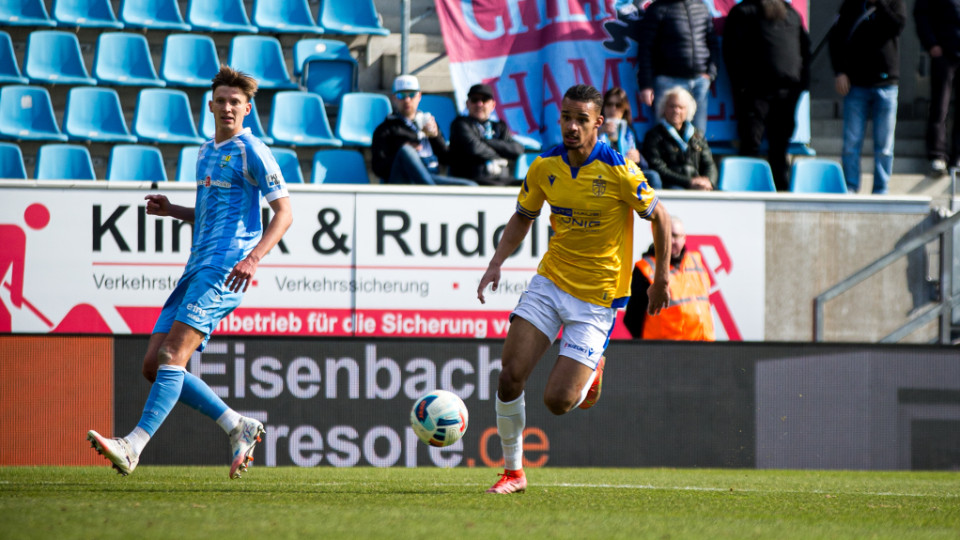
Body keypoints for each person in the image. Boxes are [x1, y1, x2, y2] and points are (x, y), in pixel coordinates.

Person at [86, 66, 293, 479]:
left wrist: (253, 259)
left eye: (236, 101)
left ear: (247, 109)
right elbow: (207, 212)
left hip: (225, 269)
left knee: (170, 356)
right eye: (222, 100)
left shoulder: (253, 149)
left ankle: (133, 446)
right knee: (153, 365)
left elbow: (285, 213)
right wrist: (174, 211)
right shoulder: (204, 151)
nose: (229, 107)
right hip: (195, 267)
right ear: (211, 105)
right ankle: (237, 424)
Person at [476, 84, 672, 494]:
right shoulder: (545, 166)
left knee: (558, 402)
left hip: (597, 298)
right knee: (510, 376)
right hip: (551, 282)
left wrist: (661, 278)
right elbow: (522, 216)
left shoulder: (620, 170)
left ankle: (594, 365)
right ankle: (513, 472)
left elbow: (662, 219)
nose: (571, 126)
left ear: (598, 123)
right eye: (566, 117)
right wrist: (496, 263)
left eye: (581, 119)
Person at [722, 0, 810, 191]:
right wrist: (742, 86)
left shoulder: (792, 14)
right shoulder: (743, 12)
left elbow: (804, 49)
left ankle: (781, 189)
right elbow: (731, 51)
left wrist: (802, 84)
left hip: (787, 94)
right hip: (755, 93)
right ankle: (747, 187)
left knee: (779, 147)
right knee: (751, 142)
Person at [829, 0, 906, 194]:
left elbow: (897, 27)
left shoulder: (894, 3)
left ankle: (881, 188)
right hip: (856, 85)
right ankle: (851, 187)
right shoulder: (850, 5)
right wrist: (840, 71)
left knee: (884, 146)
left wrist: (880, 4)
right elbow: (836, 38)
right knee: (851, 143)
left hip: (887, 84)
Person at [371, 74, 475, 186]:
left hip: (431, 177)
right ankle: (432, 192)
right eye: (401, 95)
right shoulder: (385, 129)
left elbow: (446, 159)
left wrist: (435, 137)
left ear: (419, 96)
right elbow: (378, 169)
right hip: (403, 180)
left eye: (411, 94)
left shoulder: (427, 122)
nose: (407, 100)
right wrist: (401, 153)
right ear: (394, 98)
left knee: (470, 186)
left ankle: (430, 190)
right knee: (406, 151)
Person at [623, 215, 715, 340]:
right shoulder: (645, 269)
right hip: (666, 352)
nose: (672, 241)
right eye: (667, 236)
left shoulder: (695, 261)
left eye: (676, 236)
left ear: (684, 238)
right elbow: (632, 319)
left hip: (704, 347)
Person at [635, 0, 720, 135]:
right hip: (667, 81)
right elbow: (645, 49)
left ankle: (695, 158)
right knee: (664, 135)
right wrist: (646, 85)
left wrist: (710, 73)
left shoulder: (701, 7)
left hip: (699, 82)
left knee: (697, 136)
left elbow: (712, 43)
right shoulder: (658, 9)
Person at [915, 0, 960, 177]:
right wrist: (931, 43)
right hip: (944, 54)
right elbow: (921, 15)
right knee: (940, 107)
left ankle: (957, 157)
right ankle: (937, 155)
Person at [447, 83, 525, 186]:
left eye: (484, 100)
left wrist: (486, 141)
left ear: (493, 105)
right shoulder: (460, 124)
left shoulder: (499, 126)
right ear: (467, 104)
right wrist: (500, 157)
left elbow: (517, 149)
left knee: (529, 184)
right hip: (473, 178)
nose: (479, 104)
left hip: (502, 178)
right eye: (475, 100)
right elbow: (474, 148)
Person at [641, 86, 717, 190]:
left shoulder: (697, 135)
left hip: (699, 185)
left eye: (681, 107)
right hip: (672, 186)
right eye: (672, 106)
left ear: (688, 111)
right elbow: (658, 167)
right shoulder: (654, 136)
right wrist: (689, 182)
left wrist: (708, 181)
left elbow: (709, 164)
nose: (676, 111)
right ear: (664, 108)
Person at [599, 87, 662, 189]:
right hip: (603, 172)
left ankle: (653, 205)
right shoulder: (595, 128)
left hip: (627, 173)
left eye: (618, 105)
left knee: (653, 176)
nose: (613, 109)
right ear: (603, 107)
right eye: (609, 104)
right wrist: (598, 133)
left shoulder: (630, 132)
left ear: (624, 110)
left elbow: (645, 165)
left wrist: (639, 158)